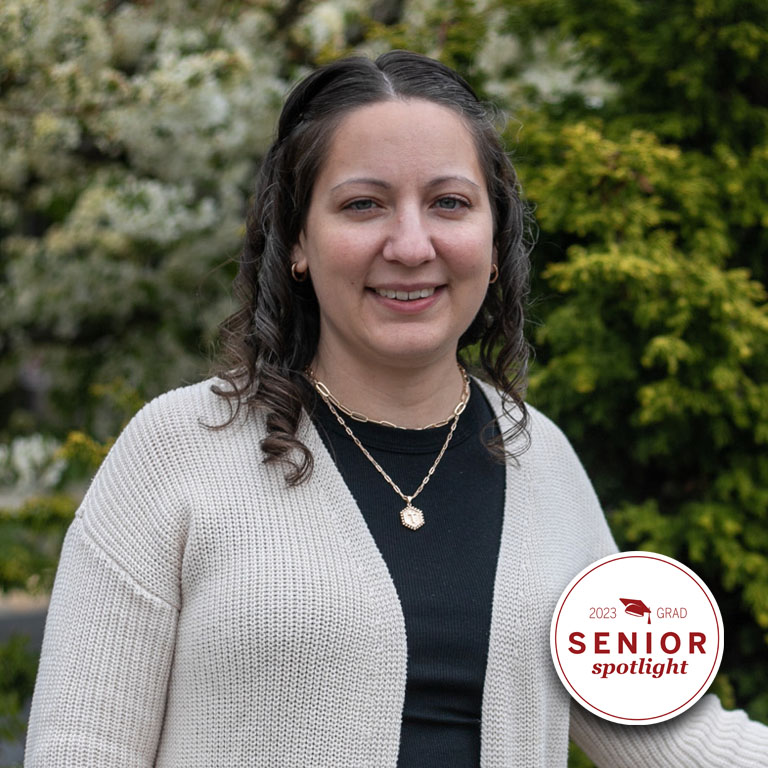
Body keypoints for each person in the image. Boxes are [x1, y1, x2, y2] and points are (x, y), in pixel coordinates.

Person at [25, 51, 768, 767]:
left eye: (449, 203)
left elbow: (676, 741)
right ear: (297, 241)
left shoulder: (544, 464)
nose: (412, 246)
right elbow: (81, 750)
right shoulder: (178, 449)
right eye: (363, 205)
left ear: (492, 233)